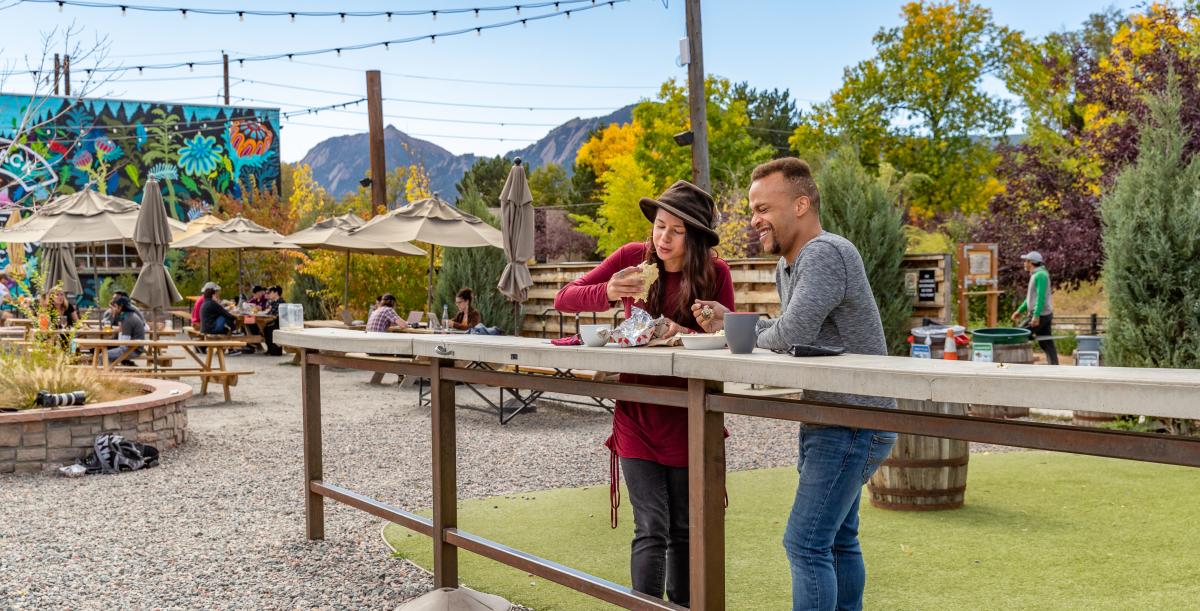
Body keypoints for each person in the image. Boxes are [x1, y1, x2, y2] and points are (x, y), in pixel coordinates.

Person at [692, 158, 896, 611]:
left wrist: (744, 331)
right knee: (839, 540)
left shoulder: (825, 253)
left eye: (764, 208)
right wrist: (738, 323)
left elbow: (792, 334)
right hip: (833, 417)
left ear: (801, 204)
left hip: (853, 419)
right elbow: (790, 333)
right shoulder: (788, 266)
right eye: (752, 210)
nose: (754, 220)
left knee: (804, 543)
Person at [555, 180, 734, 607]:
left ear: (694, 238)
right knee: (650, 525)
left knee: (685, 530)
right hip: (635, 413)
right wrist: (609, 292)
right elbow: (565, 298)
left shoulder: (716, 272)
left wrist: (690, 330)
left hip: (690, 415)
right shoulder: (632, 259)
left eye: (676, 230)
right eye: (659, 226)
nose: (663, 238)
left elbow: (731, 338)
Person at [1010, 251, 1058, 365]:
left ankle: (1011, 365)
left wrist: (1036, 316)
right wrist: (1019, 310)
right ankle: (1055, 367)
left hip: (1040, 315)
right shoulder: (1037, 274)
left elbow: (1040, 298)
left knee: (1017, 335)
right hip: (1045, 314)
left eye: (1025, 261)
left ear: (1031, 262)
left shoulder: (1040, 275)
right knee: (1046, 343)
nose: (1024, 263)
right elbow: (1030, 298)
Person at [106, 295, 146, 365]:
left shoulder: (127, 319)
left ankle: (104, 374)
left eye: (114, 307)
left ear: (120, 307)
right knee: (106, 352)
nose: (113, 309)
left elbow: (124, 343)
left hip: (134, 350)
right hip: (133, 347)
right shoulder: (128, 315)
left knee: (103, 355)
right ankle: (109, 372)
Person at [262, 285, 285, 356]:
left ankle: (275, 351)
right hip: (274, 322)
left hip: (279, 323)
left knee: (269, 328)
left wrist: (268, 312)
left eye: (270, 292)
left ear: (276, 293)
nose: (269, 294)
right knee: (266, 328)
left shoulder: (281, 302)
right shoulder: (273, 302)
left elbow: (274, 314)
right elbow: (270, 313)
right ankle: (271, 350)